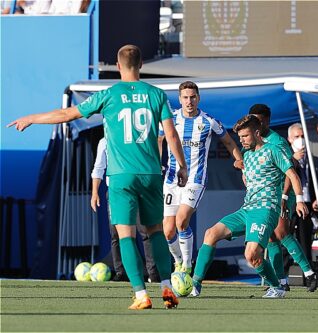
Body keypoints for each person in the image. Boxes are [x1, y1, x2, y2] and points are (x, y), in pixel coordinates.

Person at [9, 44, 188, 310]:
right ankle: (166, 287)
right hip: (150, 173)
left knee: (126, 236)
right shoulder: (156, 94)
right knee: (155, 233)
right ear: (140, 65)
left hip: (121, 176)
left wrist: (33, 117)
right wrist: (181, 165)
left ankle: (141, 295)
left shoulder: (109, 94)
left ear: (118, 66)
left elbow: (67, 114)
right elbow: (171, 135)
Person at [191, 115, 309, 298]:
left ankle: (277, 287)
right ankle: (194, 285)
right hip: (247, 209)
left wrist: (299, 200)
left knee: (252, 254)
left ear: (256, 133)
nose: (242, 141)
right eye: (240, 137)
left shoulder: (274, 150)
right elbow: (250, 178)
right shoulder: (247, 155)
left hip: (266, 209)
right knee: (210, 234)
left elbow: (293, 175)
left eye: (245, 136)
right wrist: (242, 170)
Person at [161, 81, 242, 274]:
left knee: (182, 220)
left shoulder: (208, 121)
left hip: (195, 179)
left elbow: (228, 141)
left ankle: (187, 266)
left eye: (193, 97)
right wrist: (157, 163)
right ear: (179, 99)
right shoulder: (169, 119)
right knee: (168, 230)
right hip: (172, 179)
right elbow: (158, 139)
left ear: (198, 98)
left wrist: (238, 159)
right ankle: (179, 261)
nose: (189, 101)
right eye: (185, 98)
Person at [248, 105, 318, 291]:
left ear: (268, 121)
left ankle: (310, 274)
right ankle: (282, 281)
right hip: (265, 196)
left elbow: (289, 172)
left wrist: (285, 197)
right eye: (255, 120)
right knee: (272, 237)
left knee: (281, 232)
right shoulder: (253, 141)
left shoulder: (277, 142)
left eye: (261, 121)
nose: (258, 124)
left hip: (282, 194)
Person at [91, 137, 159, 283]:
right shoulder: (104, 141)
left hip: (138, 189)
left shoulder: (132, 138)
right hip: (116, 192)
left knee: (145, 231)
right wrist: (94, 192)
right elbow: (98, 167)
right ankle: (121, 273)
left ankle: (152, 274)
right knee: (116, 234)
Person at [284, 123, 315, 284]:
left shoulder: (313, 159)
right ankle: (281, 280)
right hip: (289, 204)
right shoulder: (285, 156)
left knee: (305, 242)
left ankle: (309, 279)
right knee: (283, 240)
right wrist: (293, 160)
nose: (300, 140)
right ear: (290, 139)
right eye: (297, 137)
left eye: (303, 136)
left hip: (307, 205)